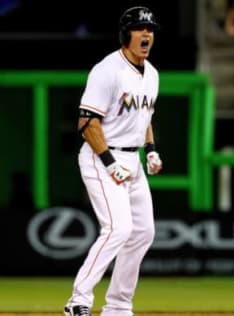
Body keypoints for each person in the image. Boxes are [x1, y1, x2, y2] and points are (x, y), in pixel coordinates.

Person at [63, 6, 163, 316]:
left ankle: (118, 306)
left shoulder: (152, 74)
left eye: (149, 29)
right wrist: (108, 162)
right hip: (101, 156)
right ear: (125, 34)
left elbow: (144, 116)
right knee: (118, 229)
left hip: (132, 160)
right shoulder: (107, 70)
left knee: (144, 232)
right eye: (139, 28)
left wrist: (151, 149)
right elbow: (86, 122)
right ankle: (78, 301)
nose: (146, 34)